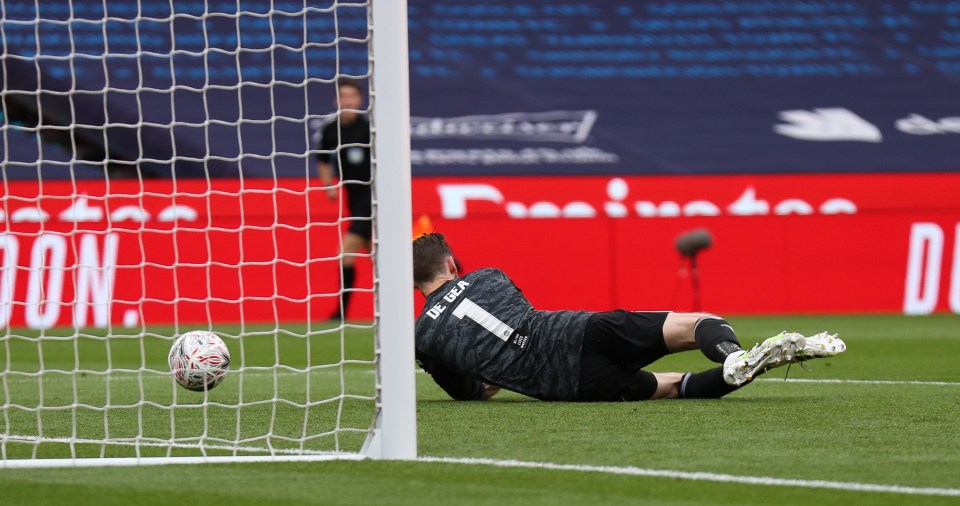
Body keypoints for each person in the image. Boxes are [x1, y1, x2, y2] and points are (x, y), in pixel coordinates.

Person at [412, 233, 846, 401]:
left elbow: (465, 392)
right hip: (578, 332)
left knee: (678, 387)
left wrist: (490, 379)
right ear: (452, 264)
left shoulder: (424, 336)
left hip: (568, 385)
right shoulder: (488, 275)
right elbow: (518, 318)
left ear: (416, 284)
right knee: (694, 324)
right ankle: (732, 356)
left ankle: (734, 375)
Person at [317, 79, 371, 320]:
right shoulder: (331, 129)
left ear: (359, 100)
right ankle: (442, 263)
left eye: (351, 96)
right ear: (336, 101)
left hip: (373, 198)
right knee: (377, 256)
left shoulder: (369, 127)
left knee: (345, 252)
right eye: (343, 96)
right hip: (353, 198)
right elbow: (321, 159)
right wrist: (329, 186)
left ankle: (341, 312)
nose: (347, 100)